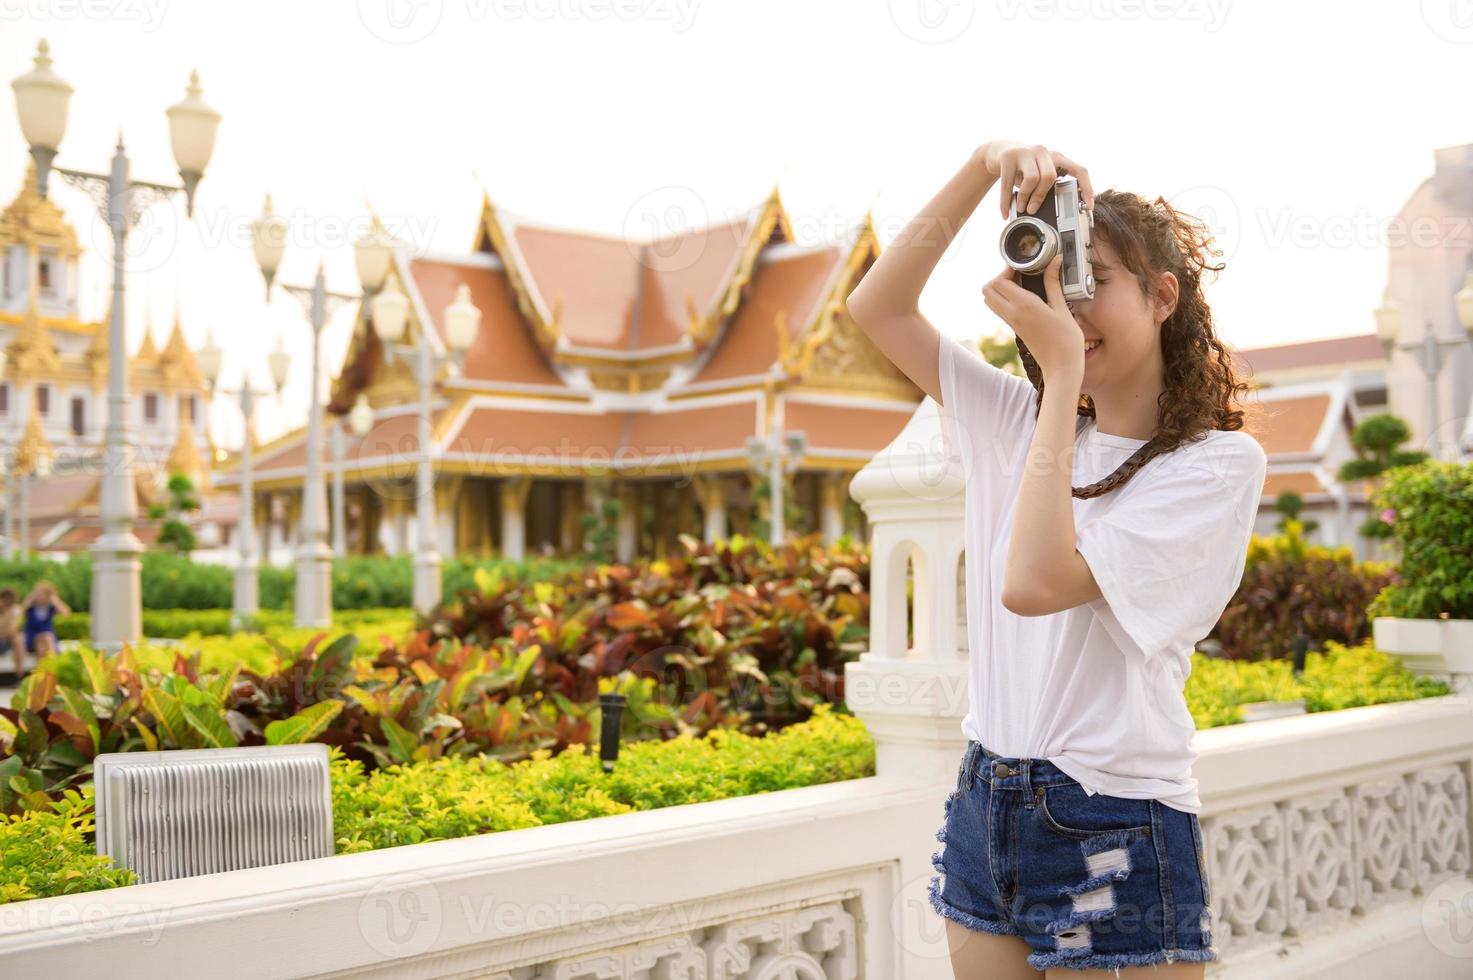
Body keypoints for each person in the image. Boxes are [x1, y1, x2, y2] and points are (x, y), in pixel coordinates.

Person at [845, 140, 1265, 978]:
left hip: (1111, 814)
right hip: (983, 802)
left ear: (1161, 296)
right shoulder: (1022, 419)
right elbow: (878, 308)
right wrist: (981, 164)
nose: (1068, 301)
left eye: (1093, 278)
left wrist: (1060, 363)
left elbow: (1033, 584)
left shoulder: (1214, 465)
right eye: (1053, 277)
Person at [22, 579, 71, 661]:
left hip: (47, 639)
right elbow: (20, 613)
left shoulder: (51, 606)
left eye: (40, 594)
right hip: (32, 637)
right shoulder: (31, 606)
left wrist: (55, 600)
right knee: (45, 639)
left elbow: (66, 613)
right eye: (36, 593)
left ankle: (44, 670)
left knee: (44, 642)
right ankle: (52, 668)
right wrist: (28, 601)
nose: (37, 595)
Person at [0, 588, 22, 678]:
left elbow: (13, 629)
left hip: (6, 642)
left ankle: (19, 674)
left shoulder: (16, 610)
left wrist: (7, 613)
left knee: (18, 639)